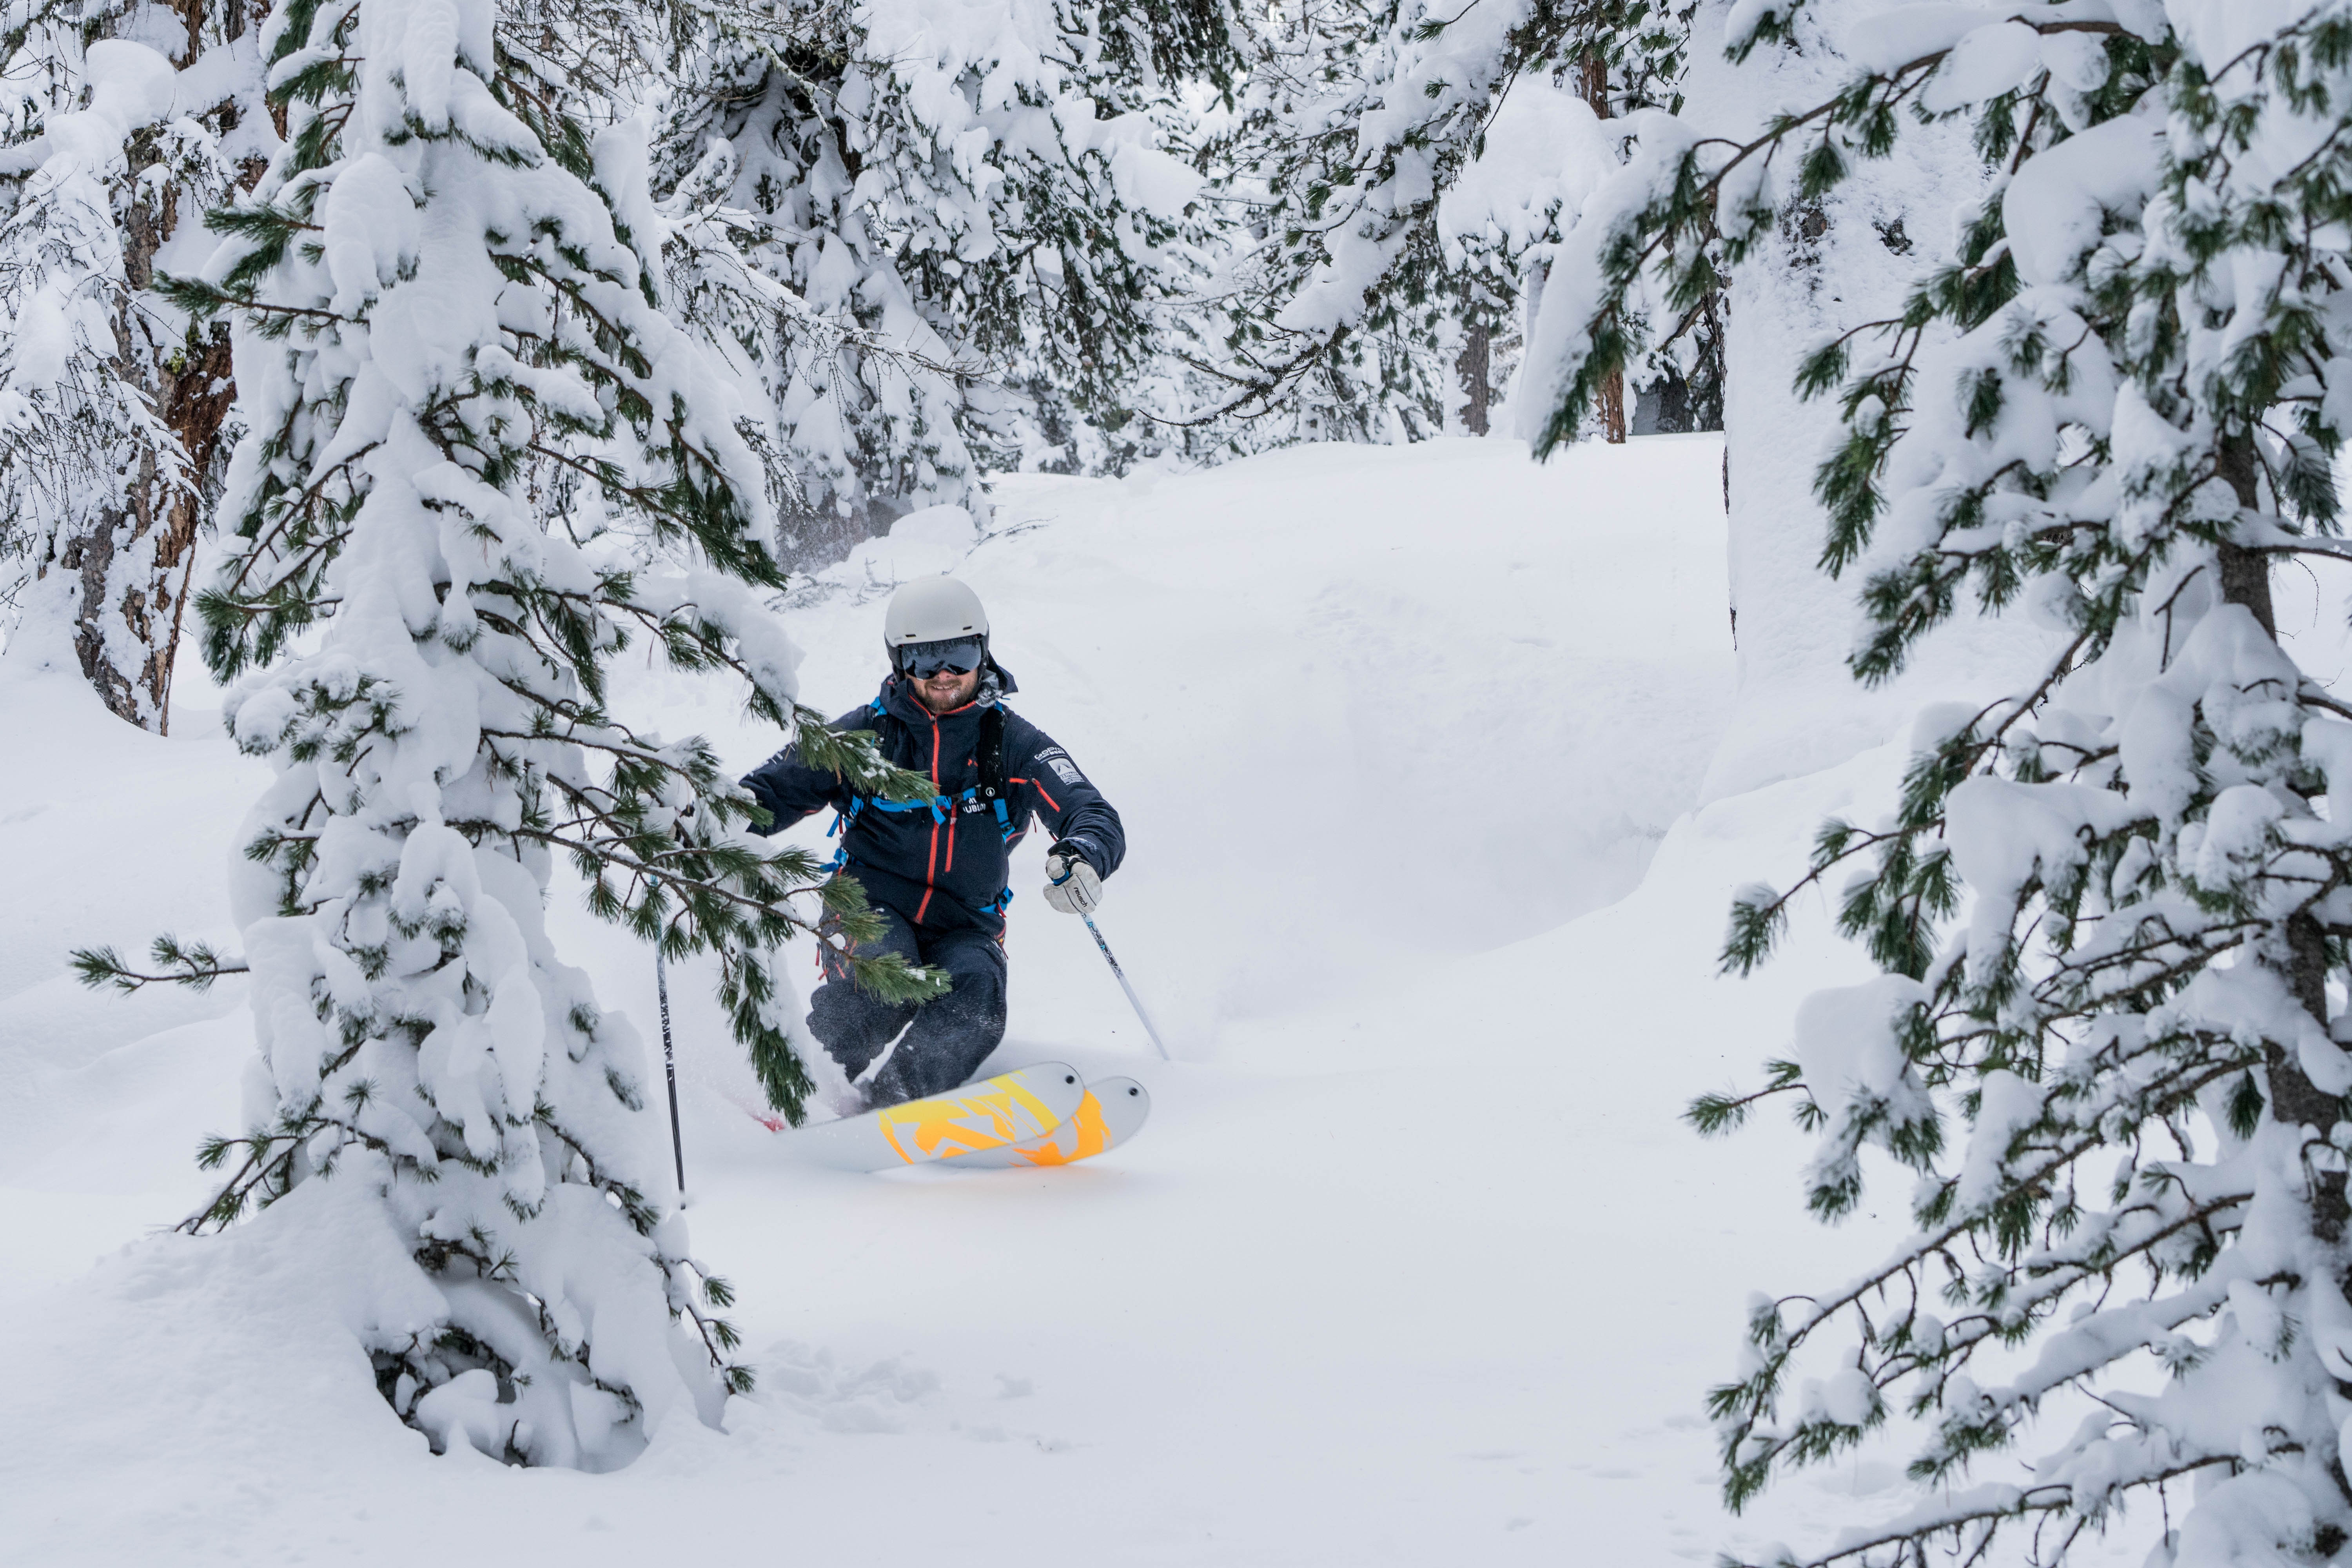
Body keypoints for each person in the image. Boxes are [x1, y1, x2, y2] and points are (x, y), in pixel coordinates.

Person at [740, 577, 1125, 1111]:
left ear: (983, 653)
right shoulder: (864, 738)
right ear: (900, 663)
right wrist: (702, 818)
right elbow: (767, 793)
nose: (944, 675)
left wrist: (1082, 855)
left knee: (979, 991)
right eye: (925, 662)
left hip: (965, 923)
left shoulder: (1012, 744)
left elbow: (1090, 810)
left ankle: (895, 1108)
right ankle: (795, 1096)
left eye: (960, 656)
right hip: (868, 907)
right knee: (888, 976)